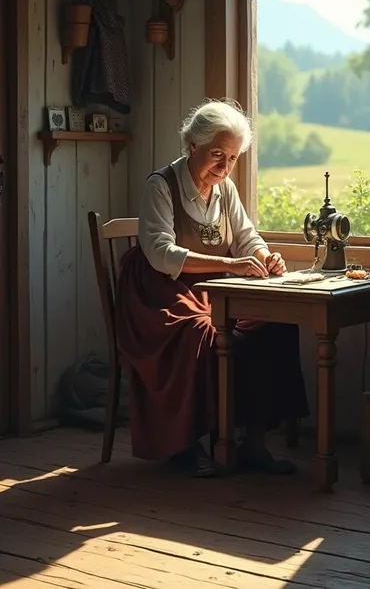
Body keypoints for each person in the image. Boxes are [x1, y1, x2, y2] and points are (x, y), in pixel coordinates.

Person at [116, 98, 308, 477]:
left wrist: (265, 257)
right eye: (217, 154)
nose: (224, 166)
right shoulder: (161, 185)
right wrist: (230, 265)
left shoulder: (226, 190)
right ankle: (185, 444)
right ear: (192, 146)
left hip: (211, 290)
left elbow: (247, 237)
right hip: (161, 294)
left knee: (276, 325)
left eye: (232, 158)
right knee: (200, 333)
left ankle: (253, 442)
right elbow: (160, 252)